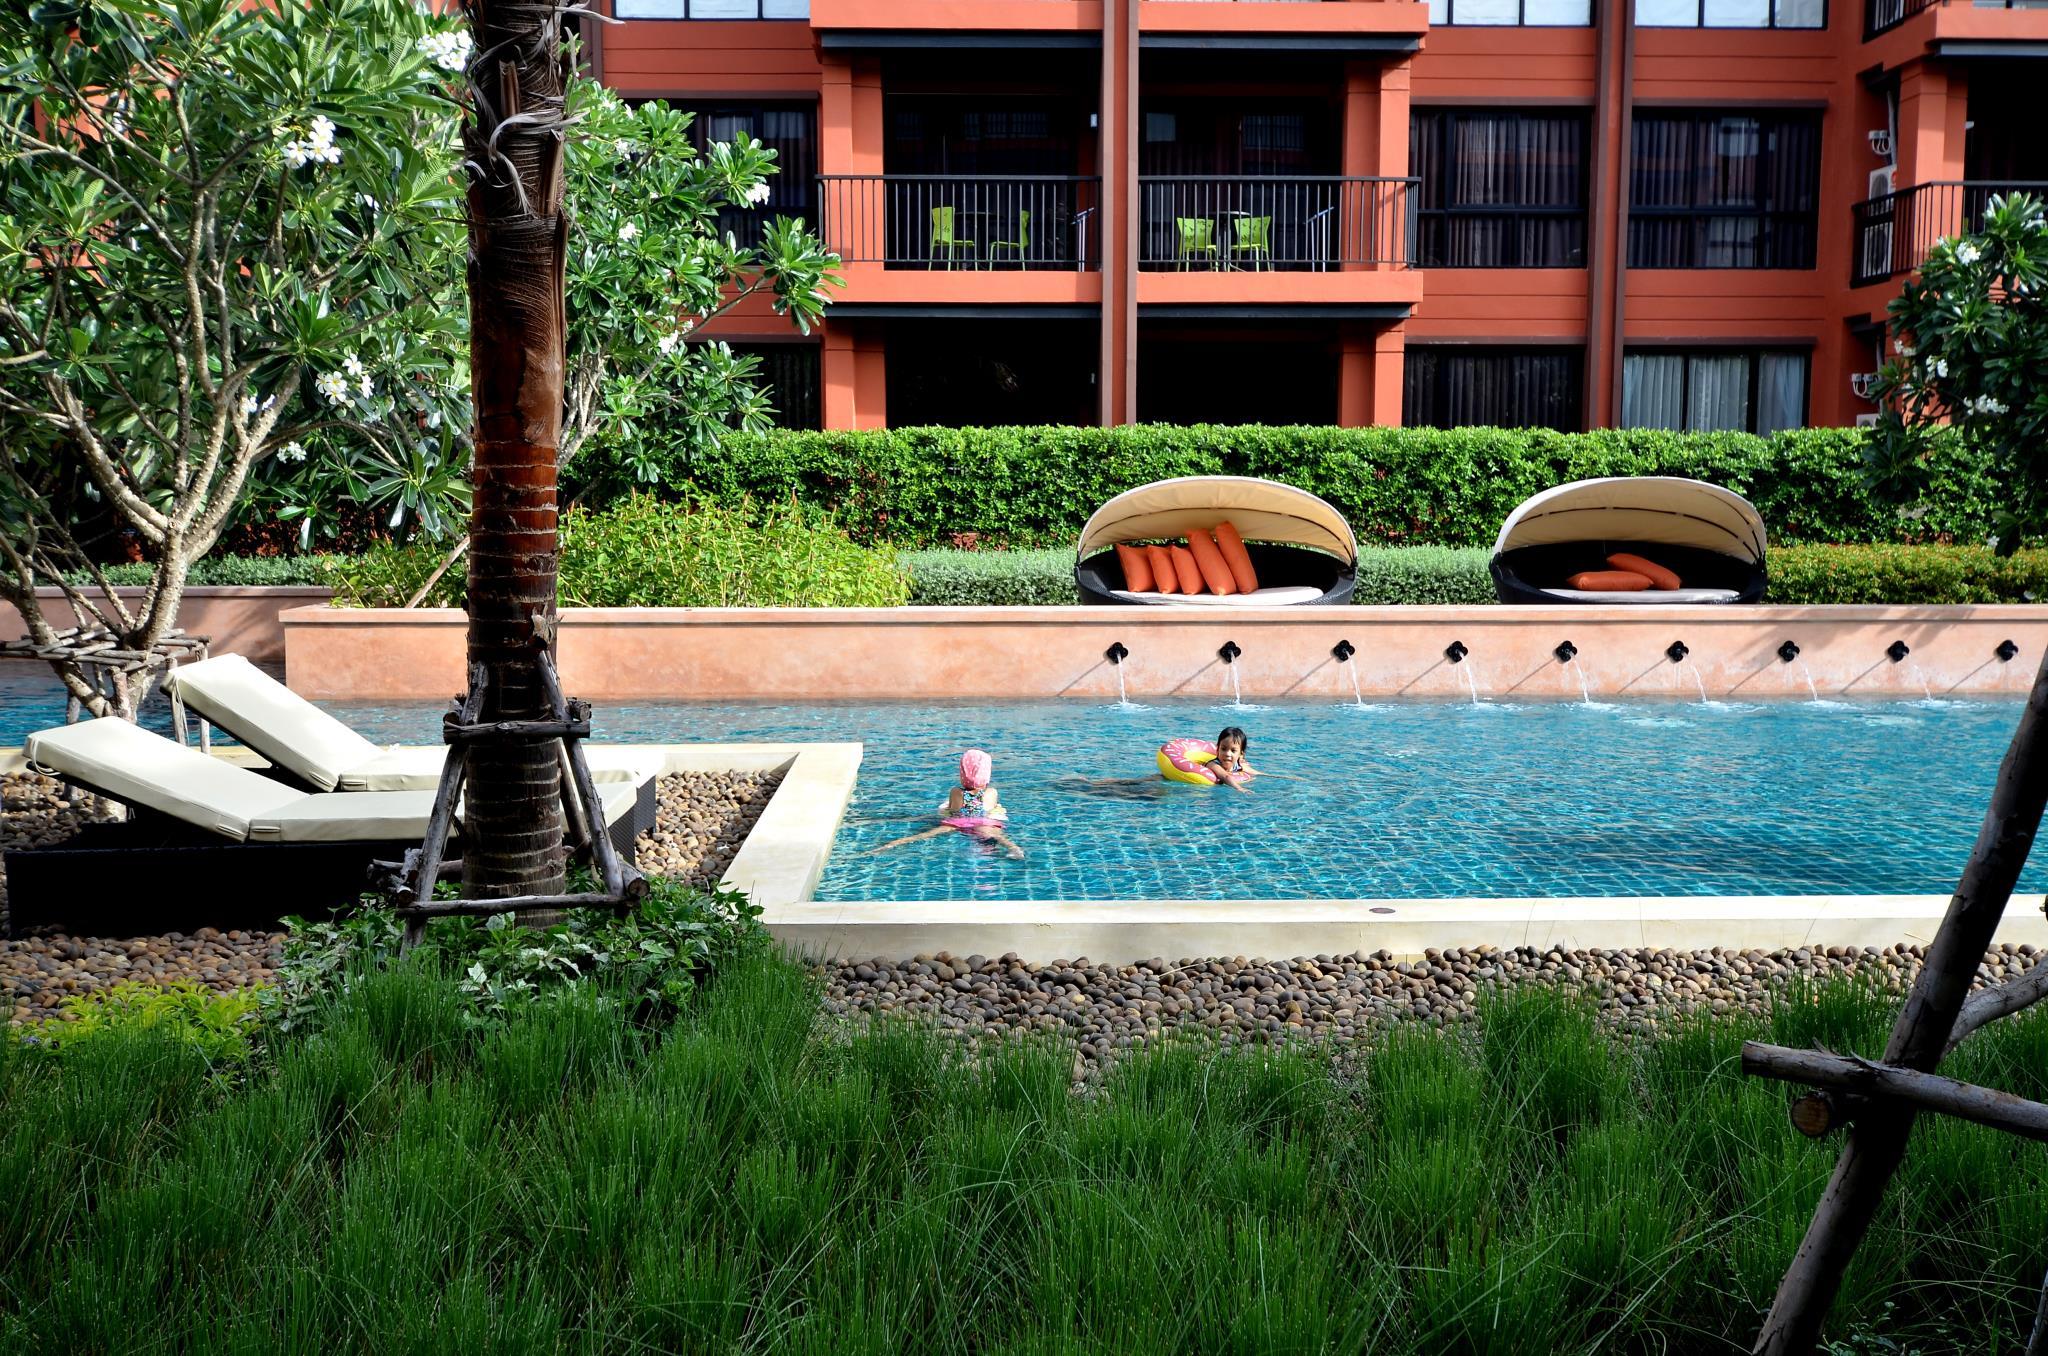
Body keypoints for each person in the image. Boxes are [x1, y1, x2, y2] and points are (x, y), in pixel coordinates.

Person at [869, 748, 1025, 859]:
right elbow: (992, 811)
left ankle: (889, 846)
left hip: (958, 822)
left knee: (921, 835)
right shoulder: (991, 792)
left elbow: (952, 811)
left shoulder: (956, 792)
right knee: (1000, 838)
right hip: (982, 822)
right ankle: (1015, 850)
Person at [1156, 726, 1258, 792]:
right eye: (1223, 749)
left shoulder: (1239, 765)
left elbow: (1254, 772)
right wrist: (1239, 788)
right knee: (1163, 782)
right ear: (1217, 749)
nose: (1227, 754)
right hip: (1193, 783)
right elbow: (1225, 776)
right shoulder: (1213, 764)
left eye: (1233, 750)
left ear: (1241, 754)